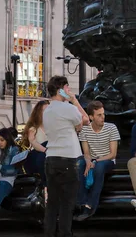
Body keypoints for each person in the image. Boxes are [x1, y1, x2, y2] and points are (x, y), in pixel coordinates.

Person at [43, 76, 89, 237]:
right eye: (67, 88)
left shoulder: (47, 110)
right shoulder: (67, 108)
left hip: (51, 159)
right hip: (68, 159)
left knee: (52, 203)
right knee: (67, 204)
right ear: (61, 89)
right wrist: (75, 101)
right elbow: (86, 120)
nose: (70, 91)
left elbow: (76, 126)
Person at [75, 100, 121, 221]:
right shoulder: (85, 130)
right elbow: (86, 153)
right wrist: (89, 161)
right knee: (80, 164)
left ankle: (91, 205)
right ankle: (81, 202)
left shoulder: (111, 128)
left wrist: (95, 161)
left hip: (107, 160)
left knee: (99, 166)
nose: (103, 117)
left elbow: (113, 154)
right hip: (92, 159)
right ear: (91, 117)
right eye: (99, 115)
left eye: (103, 114)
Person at [20, 100, 50, 186]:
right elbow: (33, 143)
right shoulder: (33, 129)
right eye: (45, 111)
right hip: (37, 158)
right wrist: (45, 150)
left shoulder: (52, 128)